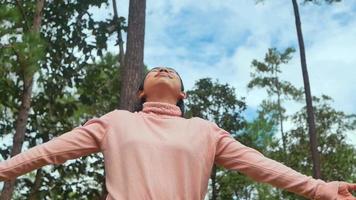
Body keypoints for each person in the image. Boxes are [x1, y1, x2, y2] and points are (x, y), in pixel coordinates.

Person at [0, 67, 355, 200]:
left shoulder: (203, 130)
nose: (164, 69)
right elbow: (47, 151)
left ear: (182, 95)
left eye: (172, 72)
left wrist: (319, 187)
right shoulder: (116, 121)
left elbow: (260, 165)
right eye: (155, 70)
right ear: (141, 92)